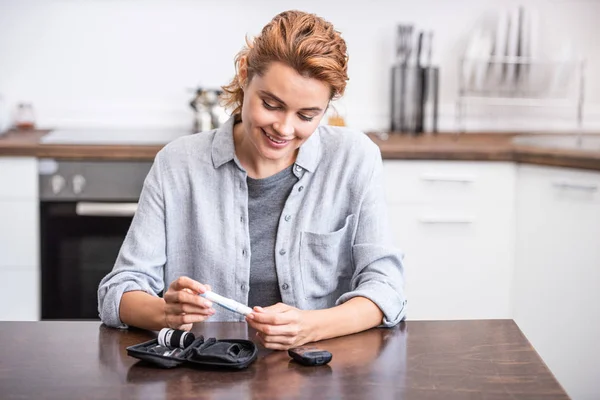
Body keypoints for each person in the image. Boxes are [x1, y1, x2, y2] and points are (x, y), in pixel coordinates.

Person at [98, 10, 406, 350]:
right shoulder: (178, 164)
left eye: (307, 115)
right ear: (245, 74)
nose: (285, 129)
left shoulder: (354, 158)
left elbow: (385, 287)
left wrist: (311, 326)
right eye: (272, 104)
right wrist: (164, 312)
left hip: (319, 374)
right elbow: (120, 289)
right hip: (208, 374)